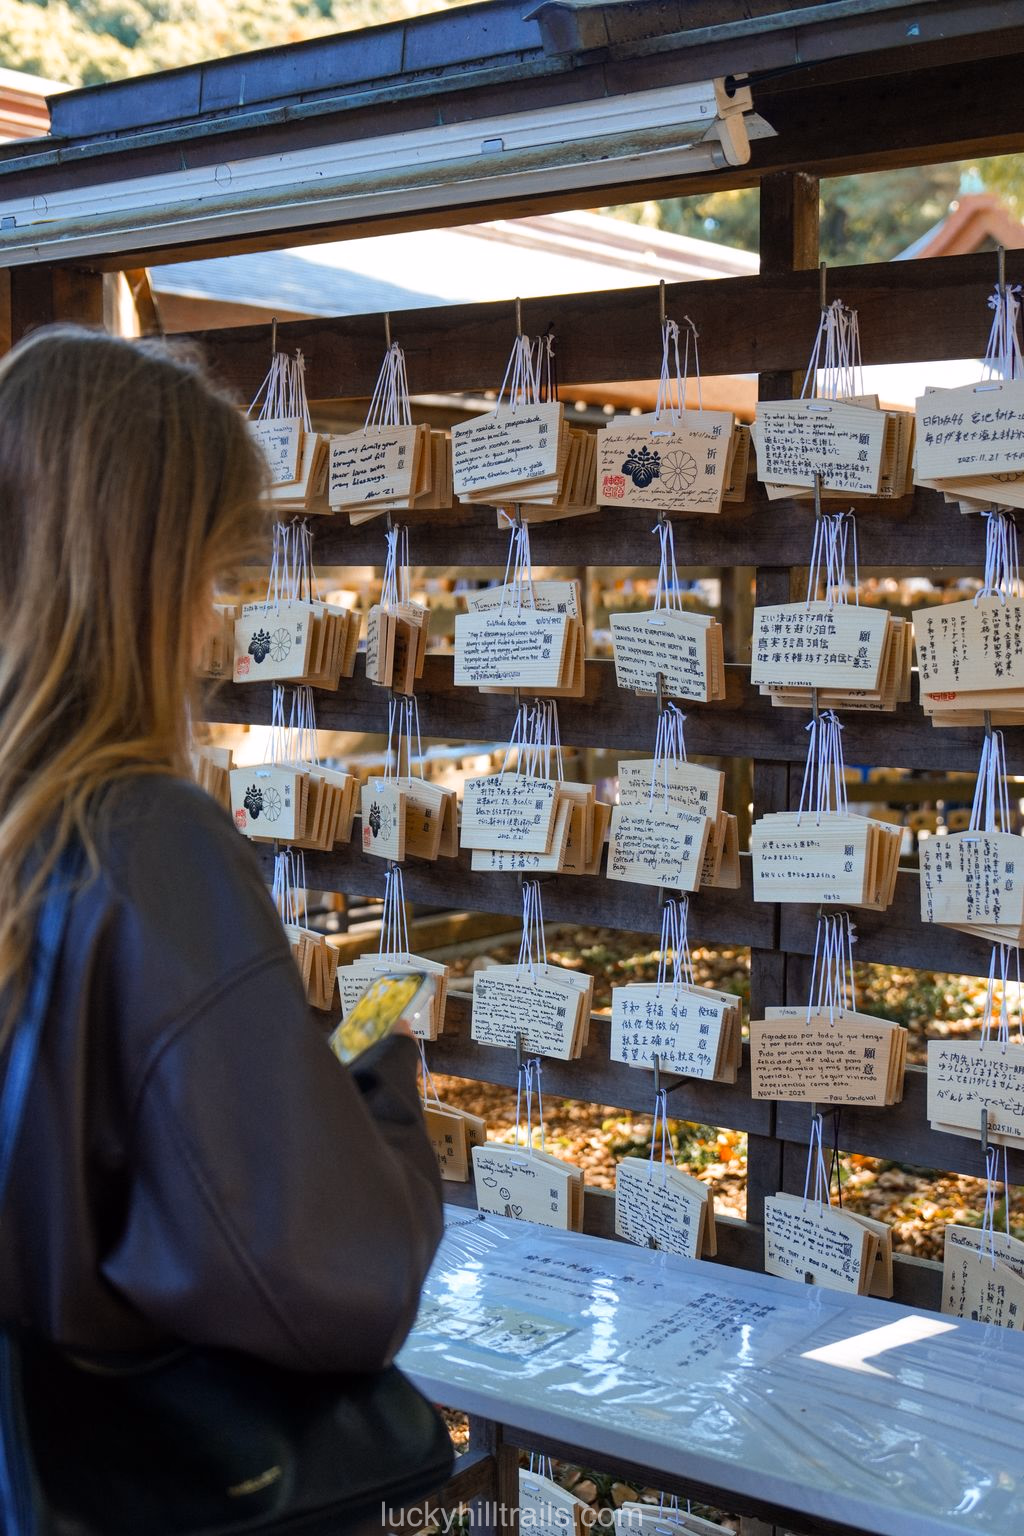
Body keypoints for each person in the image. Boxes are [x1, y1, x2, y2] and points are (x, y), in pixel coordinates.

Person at [0, 325, 443, 1376]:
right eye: (208, 579)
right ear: (144, 582)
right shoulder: (142, 841)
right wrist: (364, 1076)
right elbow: (339, 1282)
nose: (209, 631)